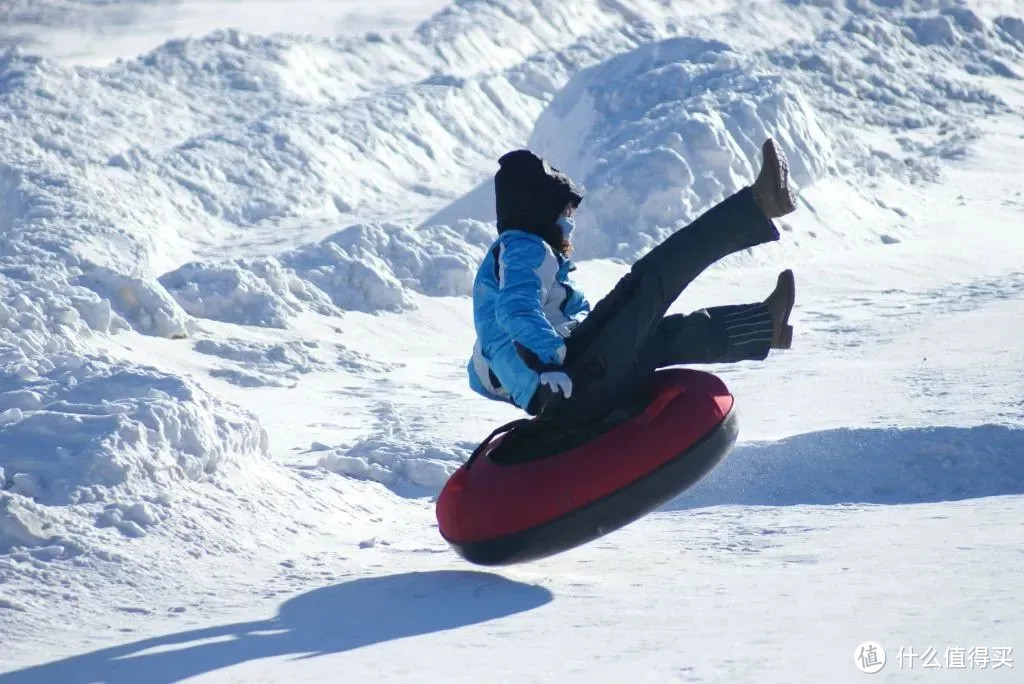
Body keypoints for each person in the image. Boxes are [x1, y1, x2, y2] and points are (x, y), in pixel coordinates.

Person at [466, 138, 797, 429]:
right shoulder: (524, 246)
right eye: (565, 211)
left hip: (570, 383)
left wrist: (542, 374)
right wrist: (547, 366)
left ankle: (766, 326)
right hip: (570, 380)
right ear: (539, 210)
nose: (569, 222)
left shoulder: (523, 258)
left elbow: (487, 362)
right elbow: (515, 311)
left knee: (662, 335)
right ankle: (760, 203)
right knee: (652, 278)